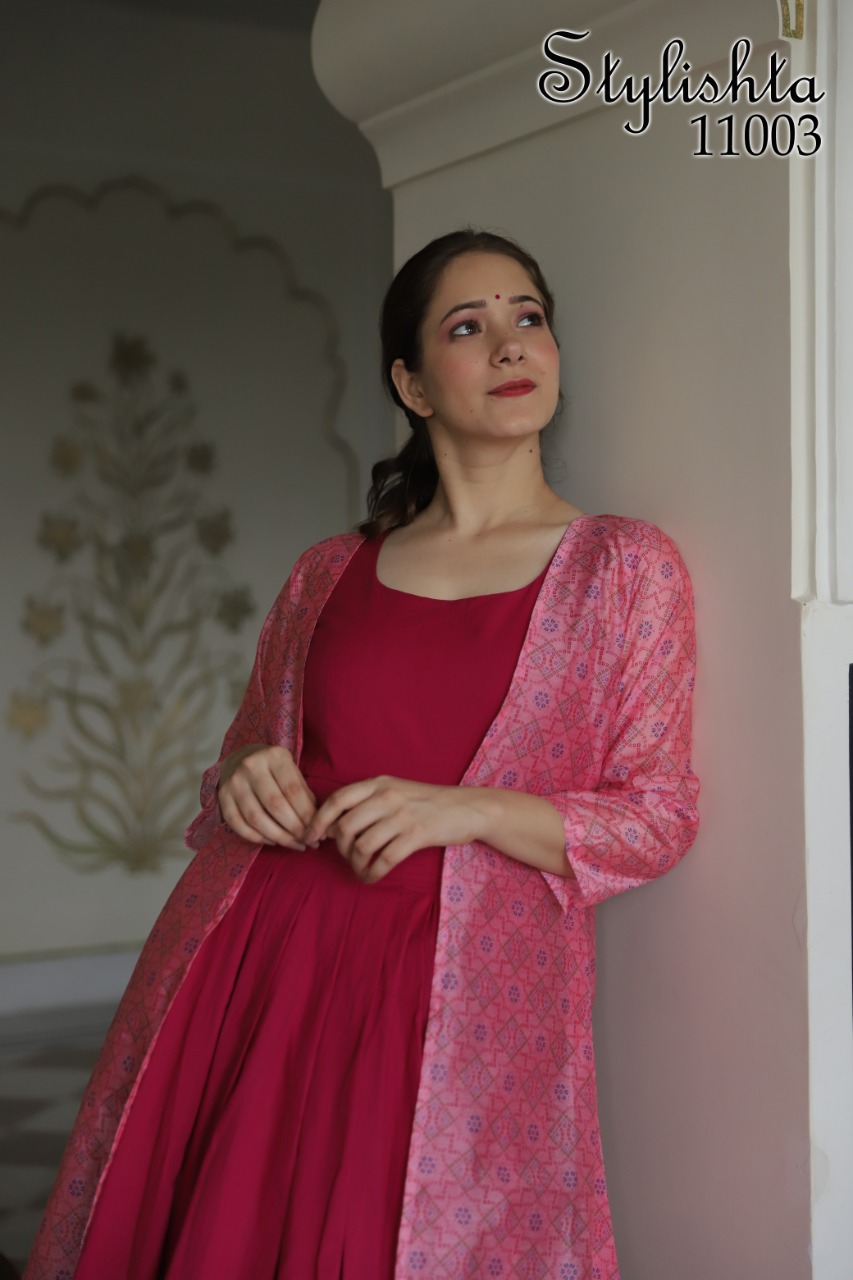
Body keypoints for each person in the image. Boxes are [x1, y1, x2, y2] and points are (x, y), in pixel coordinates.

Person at [24, 229, 699, 1280]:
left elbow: (656, 815)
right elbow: (244, 760)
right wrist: (244, 775)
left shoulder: (622, 567)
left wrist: (465, 808)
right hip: (258, 965)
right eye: (466, 327)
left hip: (447, 995)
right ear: (411, 384)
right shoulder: (329, 571)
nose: (510, 344)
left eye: (528, 317)